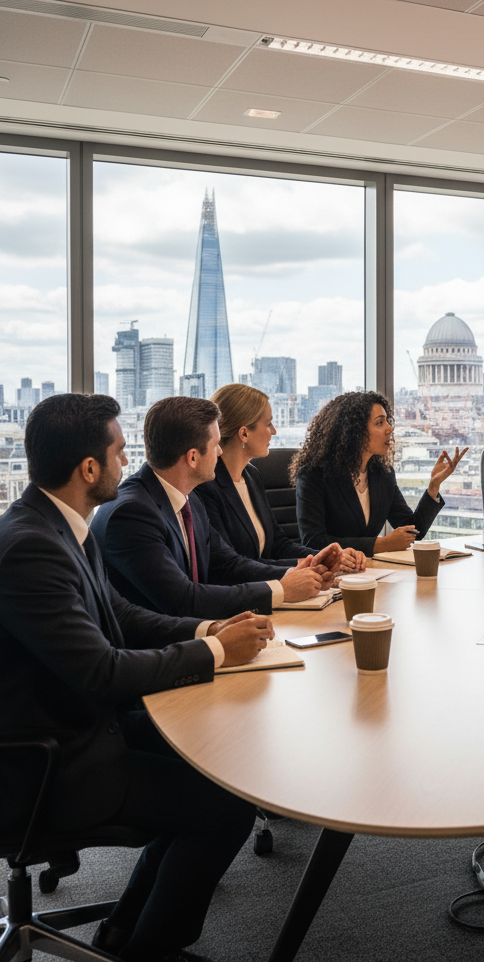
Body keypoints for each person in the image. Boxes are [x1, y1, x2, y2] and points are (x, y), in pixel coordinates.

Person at [0, 393, 272, 962]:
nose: (131, 464)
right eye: (121, 452)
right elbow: (102, 671)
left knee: (219, 766)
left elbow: (118, 617)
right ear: (89, 468)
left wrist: (207, 630)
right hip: (45, 766)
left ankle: (126, 929)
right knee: (226, 809)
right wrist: (218, 653)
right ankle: (150, 948)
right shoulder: (31, 547)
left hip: (76, 725)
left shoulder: (57, 522)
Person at [93, 396, 334, 619]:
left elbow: (227, 564)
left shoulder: (188, 498)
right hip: (154, 650)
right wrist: (280, 589)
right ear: (193, 457)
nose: (220, 452)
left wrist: (304, 566)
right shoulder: (131, 514)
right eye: (216, 444)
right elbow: (183, 600)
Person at [196, 383, 365, 573]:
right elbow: (229, 565)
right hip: (246, 595)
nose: (274, 431)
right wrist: (308, 566)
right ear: (244, 433)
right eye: (268, 424)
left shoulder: (251, 475)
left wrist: (328, 557)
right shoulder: (206, 486)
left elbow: (278, 545)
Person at [294, 391, 467, 555]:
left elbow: (412, 532)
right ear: (355, 432)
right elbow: (314, 542)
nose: (389, 429)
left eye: (387, 421)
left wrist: (433, 486)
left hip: (373, 573)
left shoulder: (383, 474)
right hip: (331, 577)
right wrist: (382, 544)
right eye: (379, 423)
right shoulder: (313, 476)